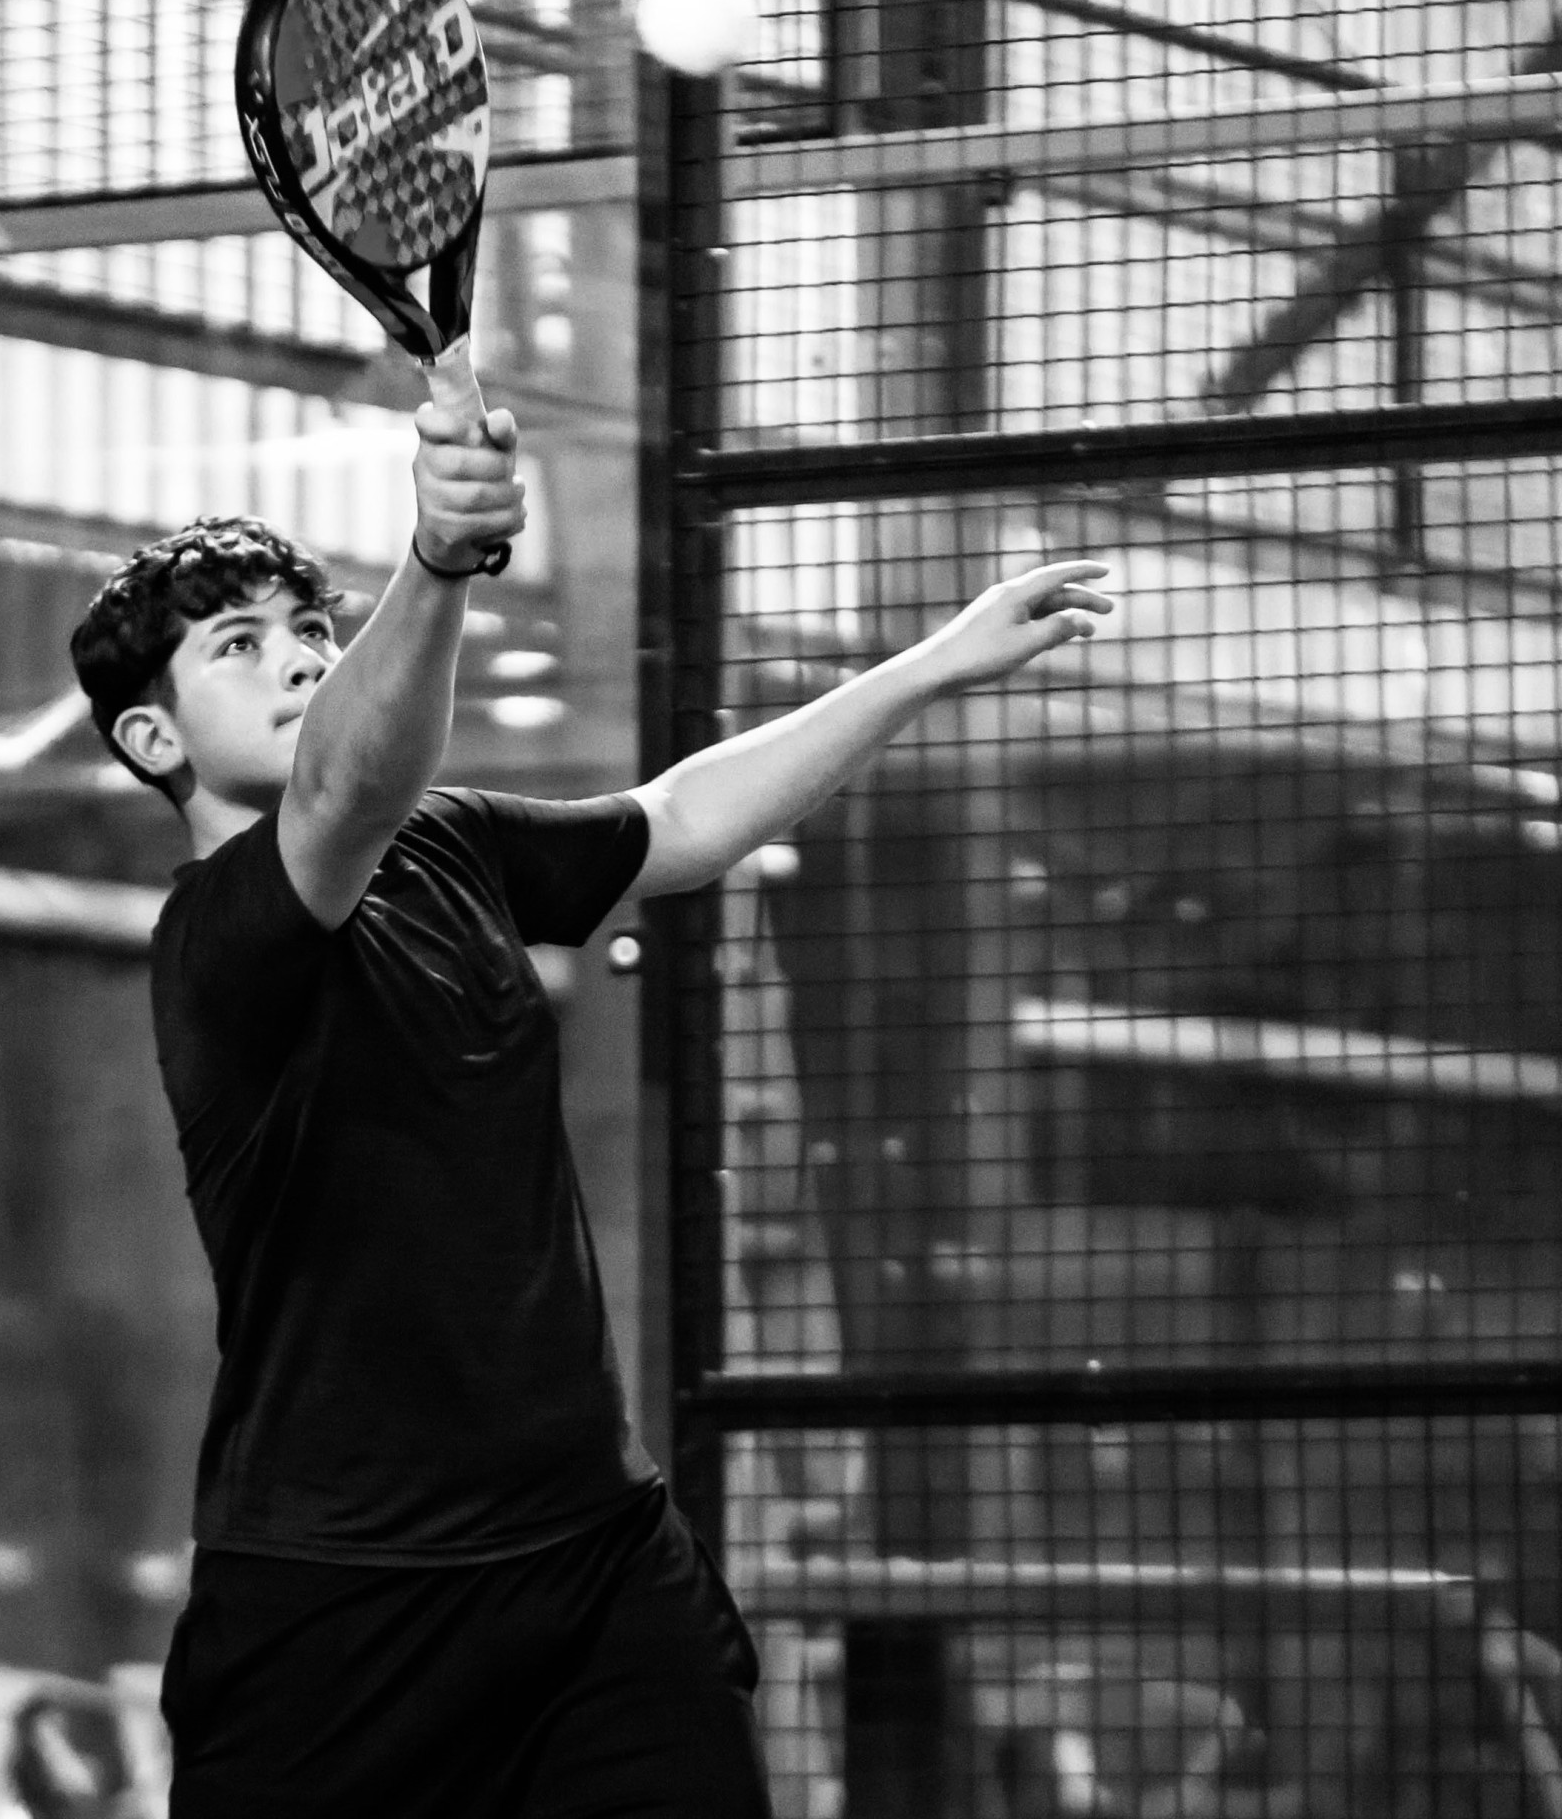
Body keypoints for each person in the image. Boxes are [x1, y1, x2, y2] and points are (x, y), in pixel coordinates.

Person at [69, 397, 1113, 1819]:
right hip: (341, 1598)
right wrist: (438, 559)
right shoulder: (218, 941)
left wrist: (926, 667)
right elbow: (342, 789)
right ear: (152, 739)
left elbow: (676, 822)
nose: (301, 655)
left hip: (593, 1562)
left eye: (308, 627)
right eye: (238, 646)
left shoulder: (447, 846)